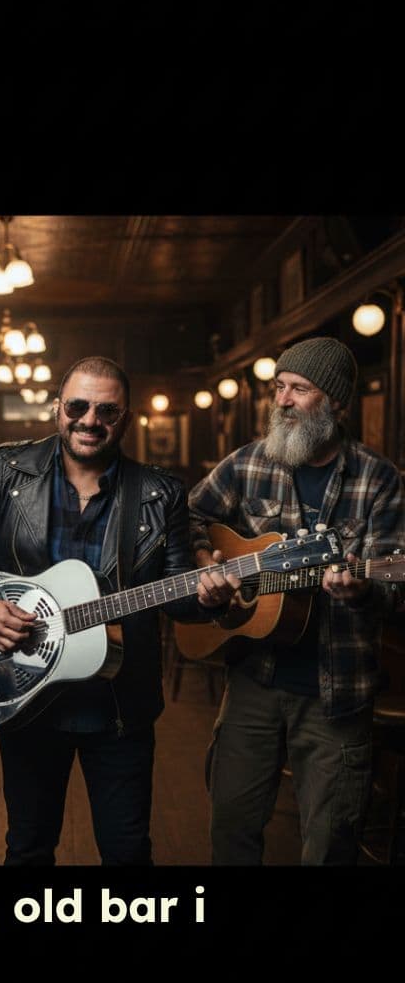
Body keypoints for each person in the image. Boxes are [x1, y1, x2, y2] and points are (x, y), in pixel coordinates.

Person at [0, 356, 234, 866]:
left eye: (107, 410)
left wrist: (208, 597)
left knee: (128, 851)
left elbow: (177, 594)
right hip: (25, 694)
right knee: (27, 847)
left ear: (126, 419)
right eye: (78, 406)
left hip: (117, 707)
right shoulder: (11, 469)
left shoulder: (161, 493)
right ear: (57, 408)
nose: (91, 420)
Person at [188, 336, 405, 866]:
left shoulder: (379, 480)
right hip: (251, 683)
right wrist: (206, 565)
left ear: (334, 403)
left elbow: (397, 584)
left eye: (299, 389)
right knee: (231, 830)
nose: (282, 400)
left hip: (336, 693)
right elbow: (186, 519)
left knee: (329, 845)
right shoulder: (248, 464)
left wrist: (363, 588)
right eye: (279, 387)